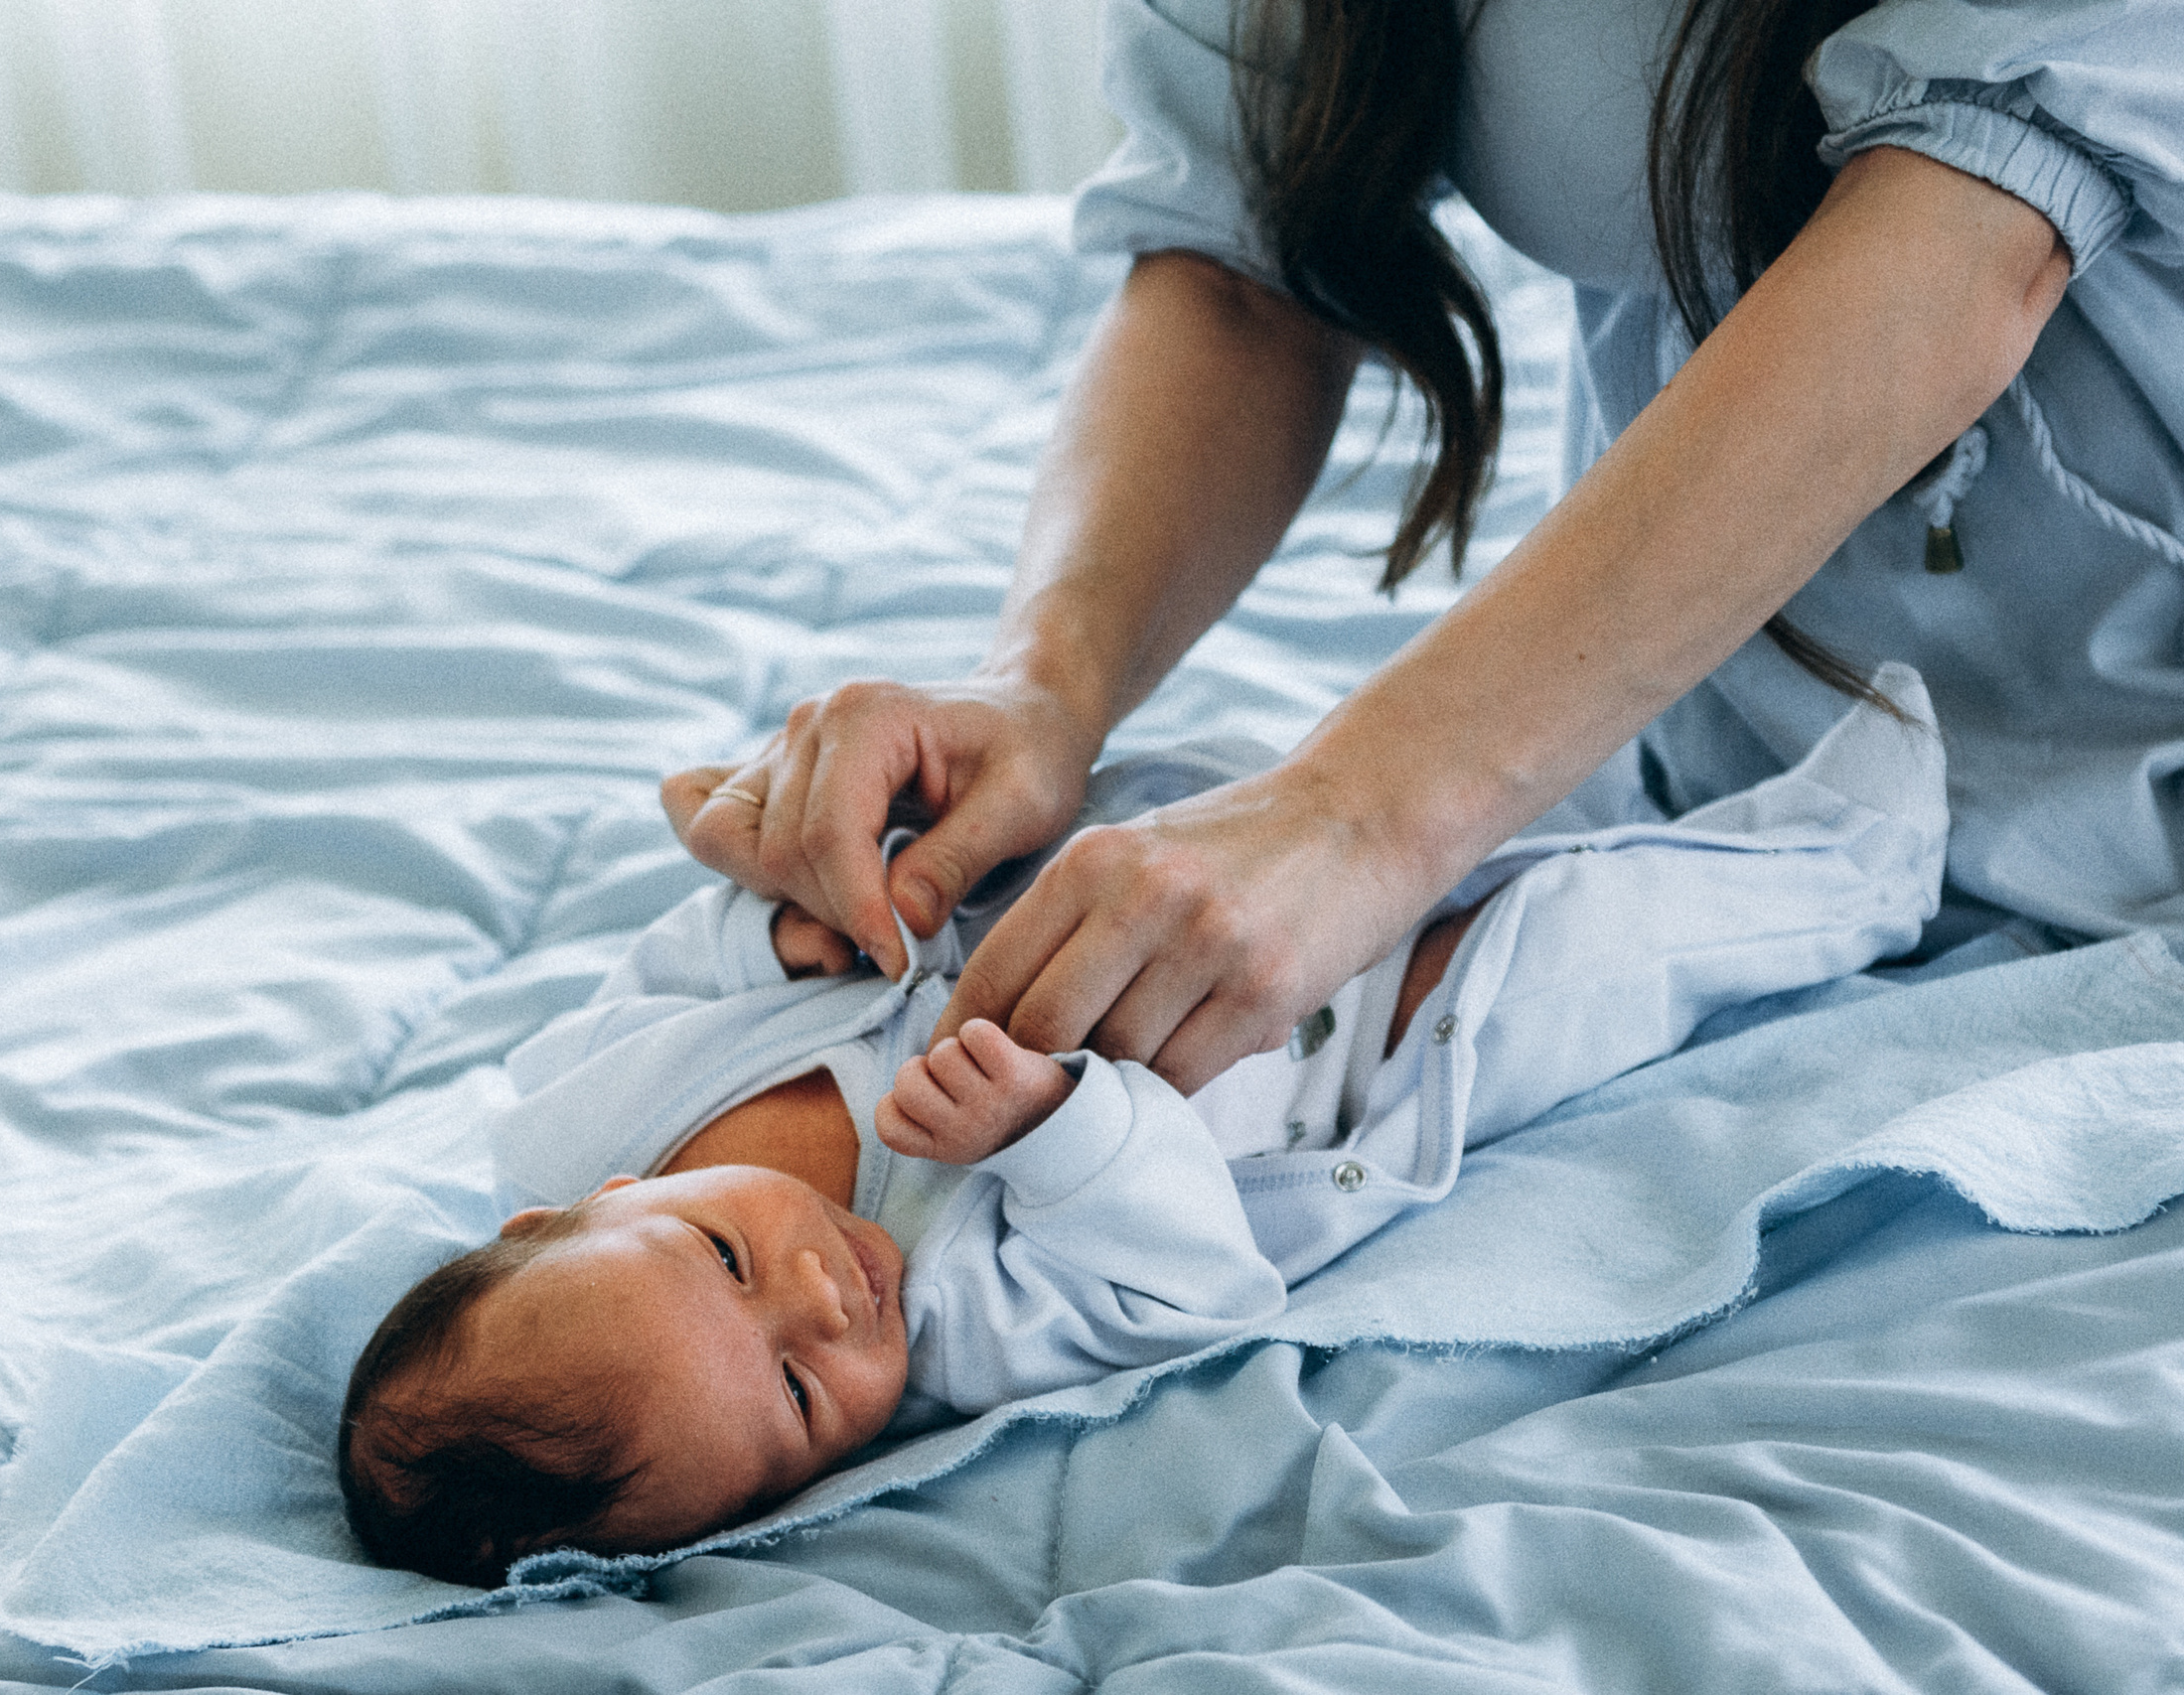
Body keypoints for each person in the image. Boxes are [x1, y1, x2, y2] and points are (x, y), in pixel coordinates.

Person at [662, 0, 2184, 1099]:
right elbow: (1249, 255)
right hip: (1741, 778)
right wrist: (1047, 683)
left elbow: (1966, 243)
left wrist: (1354, 817)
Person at [338, 680, 1946, 1588]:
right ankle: (1856, 868)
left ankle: (1634, 704)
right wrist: (1064, 1132)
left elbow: (673, 957)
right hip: (1335, 1067)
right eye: (799, 1394)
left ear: (584, 1205)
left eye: (723, 1255)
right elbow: (1191, 1287)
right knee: (1591, 955)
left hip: (1168, 859)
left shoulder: (589, 1103)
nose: (829, 1300)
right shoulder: (963, 1321)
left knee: (1414, 753)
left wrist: (780, 933)